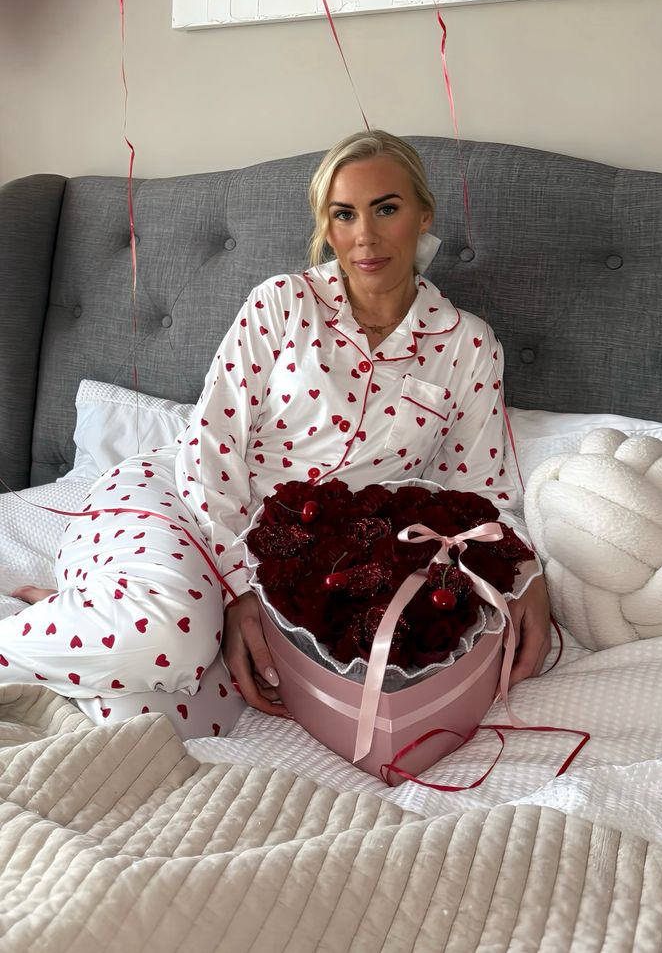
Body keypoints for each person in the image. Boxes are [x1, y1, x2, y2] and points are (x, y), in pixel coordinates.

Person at [2, 131, 550, 731]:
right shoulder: (283, 304)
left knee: (165, 722)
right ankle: (95, 615)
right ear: (327, 226)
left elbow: (478, 494)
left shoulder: (467, 345)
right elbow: (211, 445)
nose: (364, 236)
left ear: (423, 214)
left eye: (386, 208)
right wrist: (237, 591)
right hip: (183, 500)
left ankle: (78, 613)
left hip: (293, 566)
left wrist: (523, 574)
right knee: (168, 644)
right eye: (344, 215)